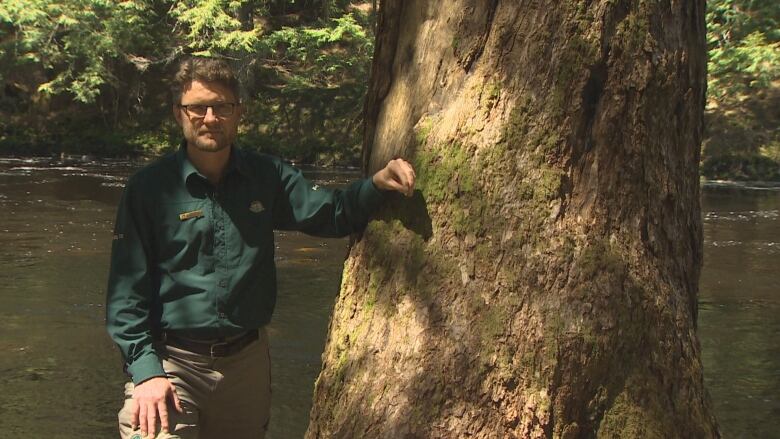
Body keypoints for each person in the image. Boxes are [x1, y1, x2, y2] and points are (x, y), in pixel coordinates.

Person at [106, 56, 415, 439]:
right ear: (178, 114)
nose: (209, 116)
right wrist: (146, 371)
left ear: (239, 114)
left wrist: (377, 184)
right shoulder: (149, 189)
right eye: (197, 107)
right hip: (170, 364)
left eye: (222, 107)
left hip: (246, 367)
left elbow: (331, 214)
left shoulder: (266, 176)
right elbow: (125, 295)